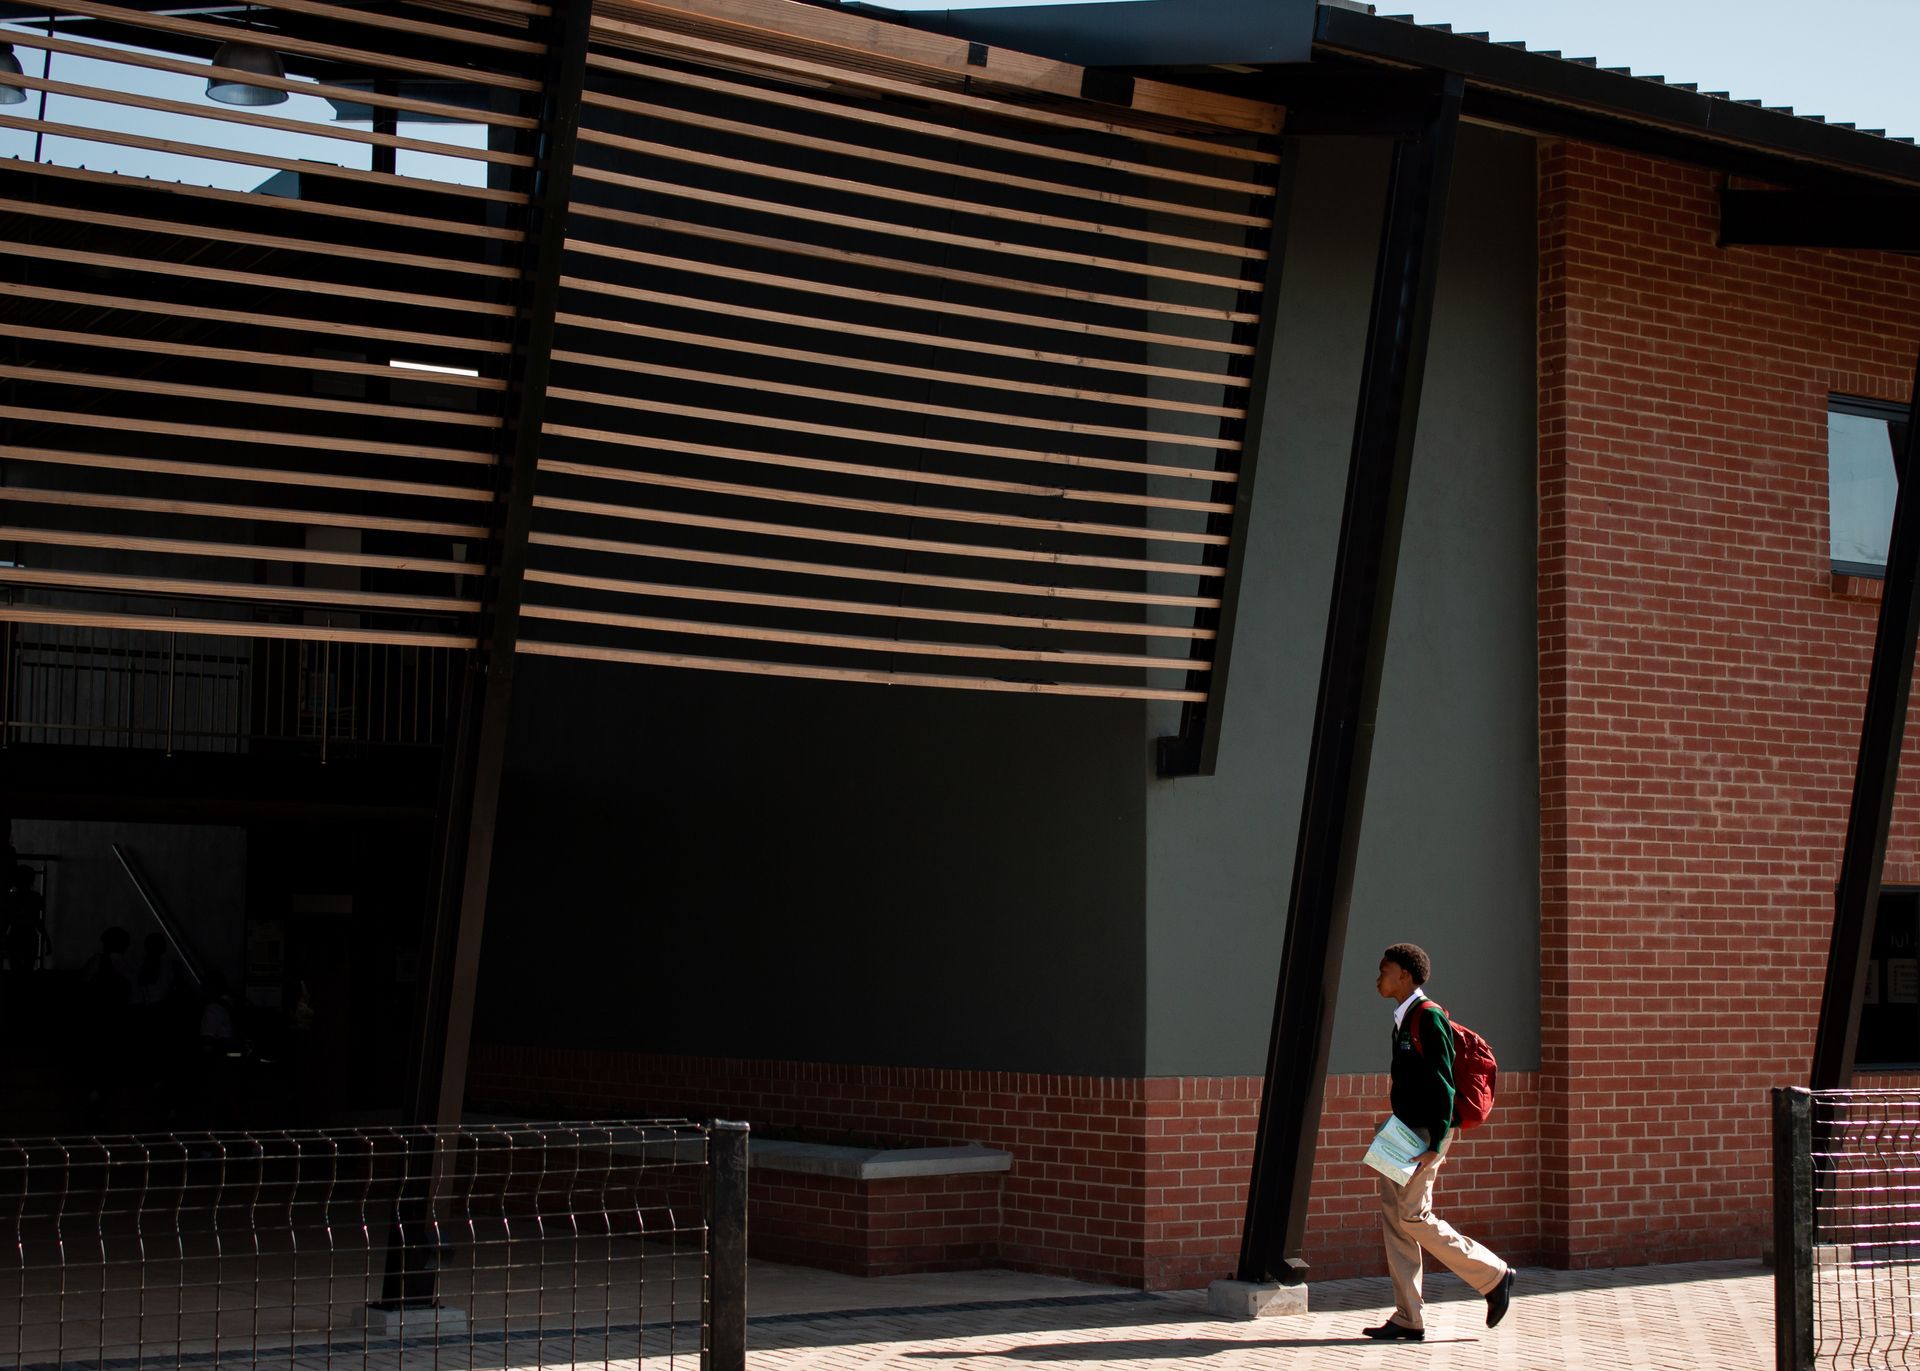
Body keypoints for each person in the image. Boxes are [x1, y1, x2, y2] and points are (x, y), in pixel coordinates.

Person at [1362, 942, 1515, 1343]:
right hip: (1401, 1129)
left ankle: (1494, 1276)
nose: (1378, 977)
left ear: (1406, 977)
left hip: (1426, 1133)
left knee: (1413, 1216)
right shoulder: (1402, 1018)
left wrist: (1437, 1140)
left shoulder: (1427, 1018)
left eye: (1385, 970)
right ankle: (1408, 1317)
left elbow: (1445, 1082)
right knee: (1395, 1218)